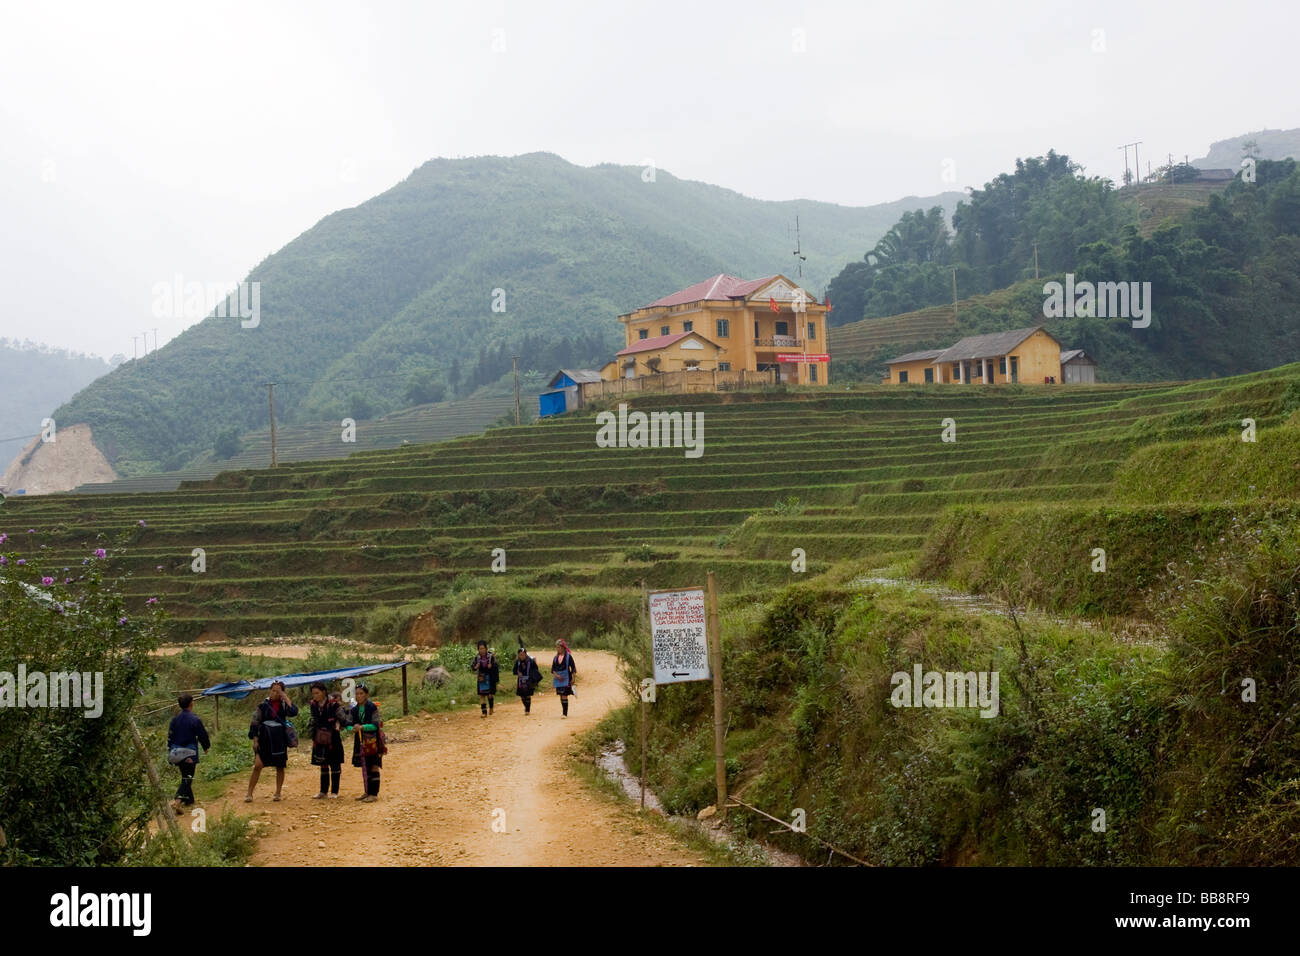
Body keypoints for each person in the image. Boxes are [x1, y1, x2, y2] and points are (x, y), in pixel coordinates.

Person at [245, 680, 299, 802]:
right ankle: (249, 793)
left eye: (278, 691)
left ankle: (278, 793)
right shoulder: (263, 706)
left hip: (279, 739)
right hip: (264, 739)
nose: (275, 693)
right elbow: (255, 723)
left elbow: (294, 711)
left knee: (280, 766)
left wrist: (284, 696)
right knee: (258, 765)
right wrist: (255, 740)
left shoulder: (284, 705)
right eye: (273, 690)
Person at [167, 693, 211, 814]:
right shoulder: (194, 719)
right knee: (188, 777)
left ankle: (189, 800)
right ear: (191, 703)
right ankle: (178, 800)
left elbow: (170, 737)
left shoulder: (174, 720)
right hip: (189, 753)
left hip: (176, 753)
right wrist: (206, 747)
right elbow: (202, 734)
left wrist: (170, 750)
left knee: (185, 775)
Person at [342, 682, 384, 801]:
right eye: (357, 694)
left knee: (373, 766)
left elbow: (375, 725)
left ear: (366, 694)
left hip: (373, 741)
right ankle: (367, 791)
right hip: (360, 741)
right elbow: (348, 724)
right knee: (365, 766)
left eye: (361, 693)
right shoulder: (354, 710)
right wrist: (353, 728)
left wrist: (362, 727)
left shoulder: (372, 707)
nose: (358, 696)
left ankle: (374, 794)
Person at [308, 681, 345, 799]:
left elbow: (343, 718)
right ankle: (323, 791)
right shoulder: (313, 704)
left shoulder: (334, 704)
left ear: (324, 692)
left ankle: (334, 792)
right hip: (319, 737)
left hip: (333, 736)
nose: (315, 696)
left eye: (317, 693)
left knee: (335, 763)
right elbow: (314, 719)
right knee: (322, 764)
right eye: (313, 693)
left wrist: (338, 724)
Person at [470, 640, 500, 717]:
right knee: (482, 695)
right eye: (480, 649)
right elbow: (473, 667)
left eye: (483, 648)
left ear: (486, 648)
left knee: (490, 695)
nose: (482, 650)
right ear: (478, 649)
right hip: (481, 678)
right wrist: (475, 667)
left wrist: (491, 666)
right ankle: (484, 712)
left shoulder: (491, 657)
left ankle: (491, 707)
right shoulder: (477, 658)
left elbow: (496, 666)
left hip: (490, 677)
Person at [512, 645, 543, 715]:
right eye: (520, 655)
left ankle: (527, 710)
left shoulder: (531, 661)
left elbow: (536, 669)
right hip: (520, 681)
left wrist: (533, 676)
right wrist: (518, 673)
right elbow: (514, 671)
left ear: (526, 654)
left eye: (523, 655)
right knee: (522, 696)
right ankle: (526, 706)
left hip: (529, 681)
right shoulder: (517, 662)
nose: (521, 656)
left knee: (528, 695)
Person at [551, 639, 577, 717]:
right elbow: (553, 669)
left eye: (559, 647)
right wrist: (557, 675)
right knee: (561, 694)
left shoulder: (568, 657)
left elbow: (573, 668)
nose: (558, 649)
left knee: (564, 694)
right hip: (558, 680)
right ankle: (564, 711)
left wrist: (573, 678)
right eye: (557, 647)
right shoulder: (555, 658)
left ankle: (564, 713)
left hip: (566, 678)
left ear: (563, 648)